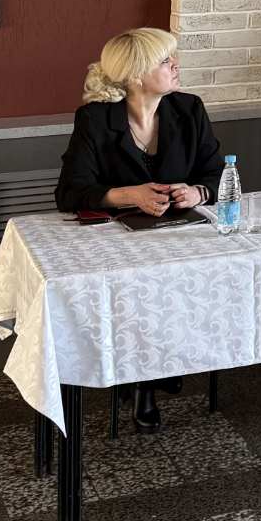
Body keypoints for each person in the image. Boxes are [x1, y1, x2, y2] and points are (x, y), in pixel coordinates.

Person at [55, 27, 224, 429]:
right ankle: (144, 383)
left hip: (182, 237)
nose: (176, 66)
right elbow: (69, 192)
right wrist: (128, 194)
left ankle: (162, 366)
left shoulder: (189, 108)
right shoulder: (95, 119)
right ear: (135, 75)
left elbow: (219, 173)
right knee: (141, 289)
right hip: (118, 244)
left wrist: (197, 192)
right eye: (165, 61)